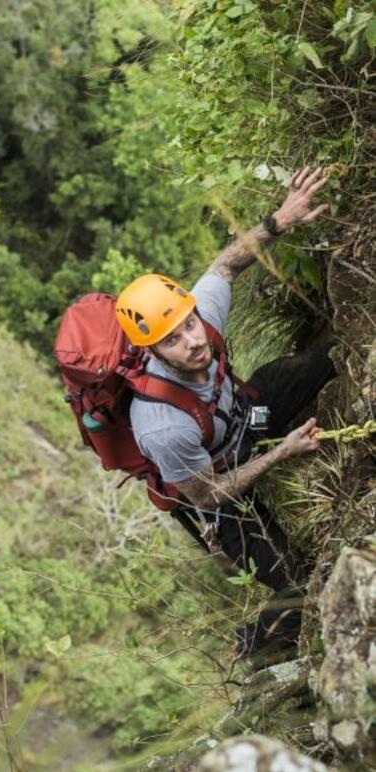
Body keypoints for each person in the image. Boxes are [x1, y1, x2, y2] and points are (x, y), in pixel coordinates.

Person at [115, 166, 336, 663]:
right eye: (173, 339)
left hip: (242, 419)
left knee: (329, 356)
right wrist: (282, 451)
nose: (193, 341)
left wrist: (279, 220)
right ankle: (254, 656)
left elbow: (225, 267)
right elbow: (208, 493)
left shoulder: (196, 318)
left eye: (189, 324)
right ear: (153, 350)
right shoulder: (162, 425)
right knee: (297, 588)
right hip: (216, 498)